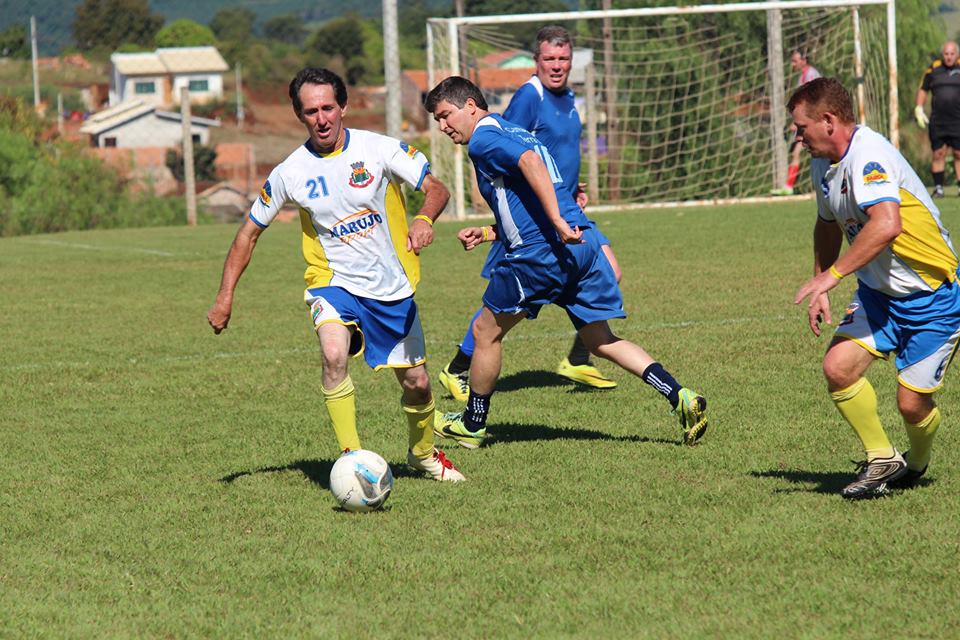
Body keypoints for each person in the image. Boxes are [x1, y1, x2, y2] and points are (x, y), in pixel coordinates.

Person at [207, 67, 465, 482]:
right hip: (332, 282)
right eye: (311, 111)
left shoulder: (379, 149)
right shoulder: (290, 172)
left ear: (343, 107)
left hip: (391, 286)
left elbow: (437, 188)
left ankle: (423, 454)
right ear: (300, 116)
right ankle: (352, 457)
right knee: (332, 354)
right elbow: (248, 233)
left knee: (417, 384)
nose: (322, 118)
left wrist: (424, 220)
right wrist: (225, 296)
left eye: (329, 107)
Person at [424, 76, 709, 448]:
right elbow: (528, 193)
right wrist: (492, 232)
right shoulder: (516, 131)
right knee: (599, 339)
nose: (443, 126)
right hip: (580, 243)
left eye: (446, 115)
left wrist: (556, 222)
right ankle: (679, 395)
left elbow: (529, 165)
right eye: (438, 121)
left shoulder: (483, 139)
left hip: (541, 252)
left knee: (484, 332)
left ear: (471, 107)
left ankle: (473, 424)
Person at [791, 77, 960, 499]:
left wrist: (833, 276)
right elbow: (827, 224)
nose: (798, 137)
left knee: (911, 405)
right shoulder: (823, 164)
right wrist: (821, 283)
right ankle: (882, 456)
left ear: (828, 121)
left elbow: (887, 224)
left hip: (933, 298)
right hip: (877, 294)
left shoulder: (869, 155)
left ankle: (916, 463)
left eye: (801, 128)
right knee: (838, 368)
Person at [436, 26, 621, 403]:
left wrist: (572, 186)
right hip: (533, 217)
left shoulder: (567, 97)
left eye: (564, 58)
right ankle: (458, 367)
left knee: (604, 273)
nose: (557, 65)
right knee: (500, 304)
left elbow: (554, 151)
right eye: (549, 59)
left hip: (564, 207)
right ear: (536, 61)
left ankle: (580, 354)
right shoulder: (529, 96)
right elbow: (514, 149)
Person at [772, 49, 821, 196]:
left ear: (803, 61)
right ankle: (788, 186)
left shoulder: (812, 75)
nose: (792, 64)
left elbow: (814, 101)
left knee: (822, 154)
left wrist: (800, 122)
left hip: (815, 121)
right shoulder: (802, 77)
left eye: (795, 60)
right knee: (796, 153)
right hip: (809, 121)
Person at [915, 41, 960, 198]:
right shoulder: (933, 68)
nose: (949, 57)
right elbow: (923, 89)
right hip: (938, 121)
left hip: (958, 120)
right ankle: (939, 188)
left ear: (957, 54)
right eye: (946, 54)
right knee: (938, 153)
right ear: (943, 55)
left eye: (952, 54)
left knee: (958, 153)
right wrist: (919, 108)